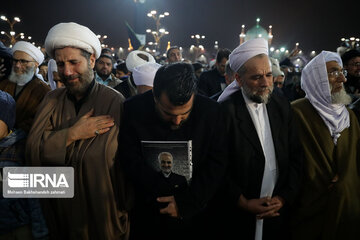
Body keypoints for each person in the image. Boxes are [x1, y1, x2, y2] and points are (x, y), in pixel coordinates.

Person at [25, 22, 132, 240]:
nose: (67, 71)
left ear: (92, 60)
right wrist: (72, 134)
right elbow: (31, 157)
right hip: (60, 214)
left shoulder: (114, 102)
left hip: (104, 216)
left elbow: (125, 166)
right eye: (61, 64)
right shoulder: (50, 101)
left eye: (74, 62)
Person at [118, 62, 227, 240]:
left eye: (184, 114)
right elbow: (129, 157)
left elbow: (217, 162)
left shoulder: (211, 112)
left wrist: (187, 202)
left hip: (195, 214)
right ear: (154, 95)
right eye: (168, 113)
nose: (177, 121)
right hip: (148, 211)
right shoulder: (133, 109)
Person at [217, 38, 302, 240]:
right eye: (256, 77)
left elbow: (297, 156)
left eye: (269, 75)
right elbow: (218, 167)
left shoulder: (281, 105)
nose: (265, 83)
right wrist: (243, 202)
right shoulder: (224, 113)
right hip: (238, 214)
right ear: (238, 79)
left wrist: (283, 198)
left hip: (277, 211)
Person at [291, 51, 360, 239]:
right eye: (333, 73)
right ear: (317, 77)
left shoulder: (349, 117)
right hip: (310, 210)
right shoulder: (297, 112)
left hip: (347, 209)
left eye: (342, 72)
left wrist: (346, 179)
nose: (342, 79)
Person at [0, 90, 48, 240]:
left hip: (18, 228)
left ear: (7, 120)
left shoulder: (21, 150)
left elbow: (35, 199)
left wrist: (40, 233)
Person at [0, 41, 50, 133]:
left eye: (23, 61)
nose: (17, 65)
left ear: (36, 64)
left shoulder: (44, 91)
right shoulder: (4, 84)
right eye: (15, 60)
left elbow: (38, 122)